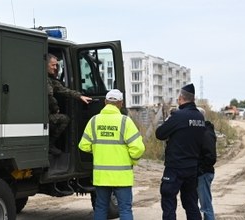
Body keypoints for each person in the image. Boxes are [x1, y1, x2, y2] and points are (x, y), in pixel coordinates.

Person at [78, 89, 145, 220]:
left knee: (101, 208)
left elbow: (83, 146)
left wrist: (98, 150)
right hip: (122, 177)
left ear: (105, 102)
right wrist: (133, 160)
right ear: (120, 103)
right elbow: (138, 148)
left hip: (101, 176)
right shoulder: (125, 122)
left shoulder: (94, 121)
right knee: (125, 209)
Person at [155, 83, 205, 220]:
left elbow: (160, 134)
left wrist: (169, 119)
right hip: (192, 167)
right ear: (193, 99)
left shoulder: (178, 116)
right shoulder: (200, 118)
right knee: (191, 203)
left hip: (175, 167)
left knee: (169, 201)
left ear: (181, 98)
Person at [47, 53, 91, 155]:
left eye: (56, 65)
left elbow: (63, 90)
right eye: (53, 65)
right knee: (65, 119)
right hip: (43, 117)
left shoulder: (49, 79)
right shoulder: (45, 79)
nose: (55, 68)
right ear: (45, 64)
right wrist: (55, 108)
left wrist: (79, 96)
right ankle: (49, 145)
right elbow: (49, 96)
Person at [197, 107, 217, 220]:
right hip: (200, 172)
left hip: (203, 173)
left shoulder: (206, 133)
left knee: (206, 206)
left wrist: (200, 169)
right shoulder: (202, 131)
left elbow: (211, 156)